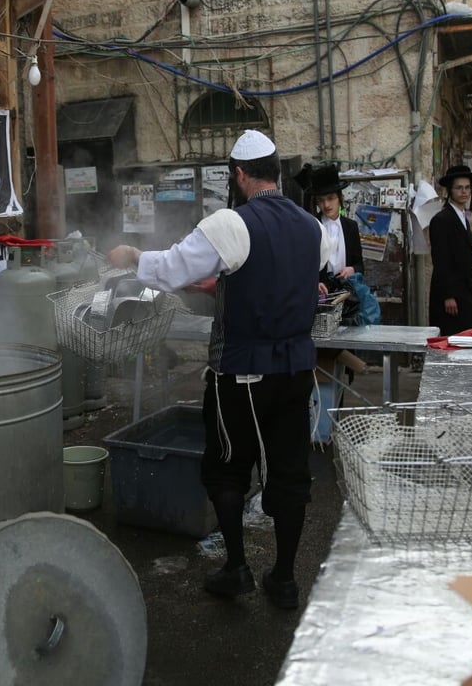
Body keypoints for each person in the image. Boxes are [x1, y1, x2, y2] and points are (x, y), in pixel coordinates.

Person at [107, 129, 332, 610]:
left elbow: (170, 268)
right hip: (296, 371)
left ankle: (237, 568)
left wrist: (131, 257)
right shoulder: (312, 226)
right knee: (290, 473)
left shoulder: (231, 222)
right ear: (278, 172)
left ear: (239, 174)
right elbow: (285, 280)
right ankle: (286, 579)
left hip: (243, 376)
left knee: (227, 469)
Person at [295, 162, 365, 294]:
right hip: (322, 294)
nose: (326, 205)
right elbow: (303, 266)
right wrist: (315, 282)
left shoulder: (351, 227)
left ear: (340, 198)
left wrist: (352, 269)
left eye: (330, 198)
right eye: (321, 200)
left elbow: (359, 265)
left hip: (347, 292)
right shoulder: (312, 227)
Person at [428, 164, 472, 335]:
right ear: (450, 190)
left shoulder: (463, 217)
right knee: (450, 340)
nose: (464, 192)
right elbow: (441, 260)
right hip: (450, 297)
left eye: (467, 188)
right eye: (459, 188)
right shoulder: (442, 219)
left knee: (464, 338)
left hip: (464, 292)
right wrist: (448, 296)